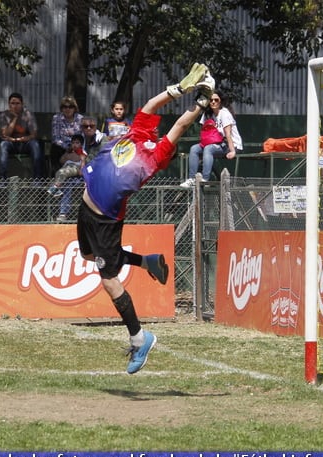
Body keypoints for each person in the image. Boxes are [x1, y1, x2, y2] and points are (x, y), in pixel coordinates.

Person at [77, 63, 214, 373]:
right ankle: (146, 261)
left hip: (105, 219)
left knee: (109, 282)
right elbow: (153, 106)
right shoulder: (139, 131)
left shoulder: (157, 155)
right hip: (87, 208)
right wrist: (179, 89)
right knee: (88, 254)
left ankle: (140, 338)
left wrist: (202, 103)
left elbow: (179, 125)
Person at [180, 92, 242, 187]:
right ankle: (191, 179)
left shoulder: (224, 113)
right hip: (215, 143)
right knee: (194, 148)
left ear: (220, 102)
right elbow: (205, 134)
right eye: (211, 100)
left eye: (216, 100)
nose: (213, 102)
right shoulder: (207, 114)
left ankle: (205, 180)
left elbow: (228, 134)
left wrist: (233, 151)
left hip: (231, 145)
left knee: (208, 149)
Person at [54, 117, 103, 221]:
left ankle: (93, 215)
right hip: (76, 174)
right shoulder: (78, 142)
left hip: (92, 174)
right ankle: (63, 212)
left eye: (92, 126)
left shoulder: (99, 140)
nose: (89, 128)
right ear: (82, 128)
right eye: (86, 126)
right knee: (68, 184)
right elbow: (63, 160)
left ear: (96, 127)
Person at [0, 92, 43, 181]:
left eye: (18, 103)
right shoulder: (3, 115)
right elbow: (5, 135)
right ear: (9, 104)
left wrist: (20, 139)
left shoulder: (28, 114)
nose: (15, 106)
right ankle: (2, 179)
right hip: (11, 144)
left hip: (24, 143)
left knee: (35, 145)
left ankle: (37, 179)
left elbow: (33, 134)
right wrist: (14, 118)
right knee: (3, 145)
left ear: (22, 104)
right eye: (12, 103)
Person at [49, 96, 83, 176]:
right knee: (54, 148)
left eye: (70, 107)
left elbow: (81, 137)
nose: (68, 109)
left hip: (77, 146)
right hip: (61, 147)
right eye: (65, 107)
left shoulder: (80, 118)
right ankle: (56, 176)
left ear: (74, 108)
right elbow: (55, 138)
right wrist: (67, 148)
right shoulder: (56, 118)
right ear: (61, 108)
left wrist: (74, 147)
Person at [47, 133, 86, 199]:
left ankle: (54, 188)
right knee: (58, 172)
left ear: (81, 145)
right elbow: (61, 161)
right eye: (73, 143)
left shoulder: (80, 151)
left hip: (75, 167)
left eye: (77, 143)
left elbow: (83, 159)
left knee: (62, 172)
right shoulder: (69, 152)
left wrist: (82, 168)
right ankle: (57, 192)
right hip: (66, 167)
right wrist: (67, 153)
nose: (75, 145)